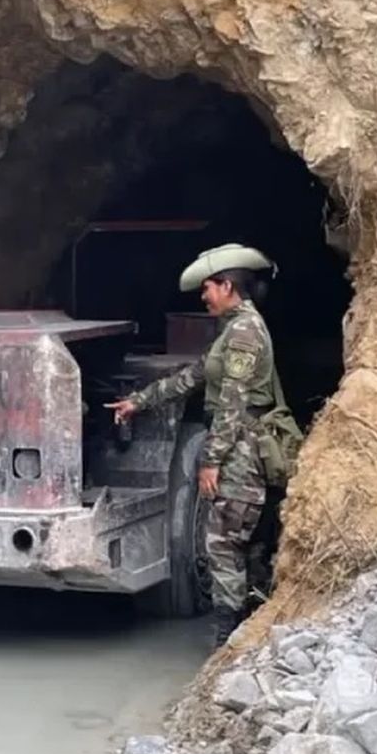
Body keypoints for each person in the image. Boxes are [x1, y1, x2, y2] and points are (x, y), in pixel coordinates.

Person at [105, 243, 299, 648]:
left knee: (223, 543)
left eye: (208, 288)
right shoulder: (232, 330)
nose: (204, 297)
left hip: (241, 450)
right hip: (239, 445)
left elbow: (233, 401)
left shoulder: (244, 332)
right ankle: (246, 628)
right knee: (237, 540)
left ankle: (227, 641)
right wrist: (138, 402)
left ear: (227, 286)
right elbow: (194, 376)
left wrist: (211, 460)